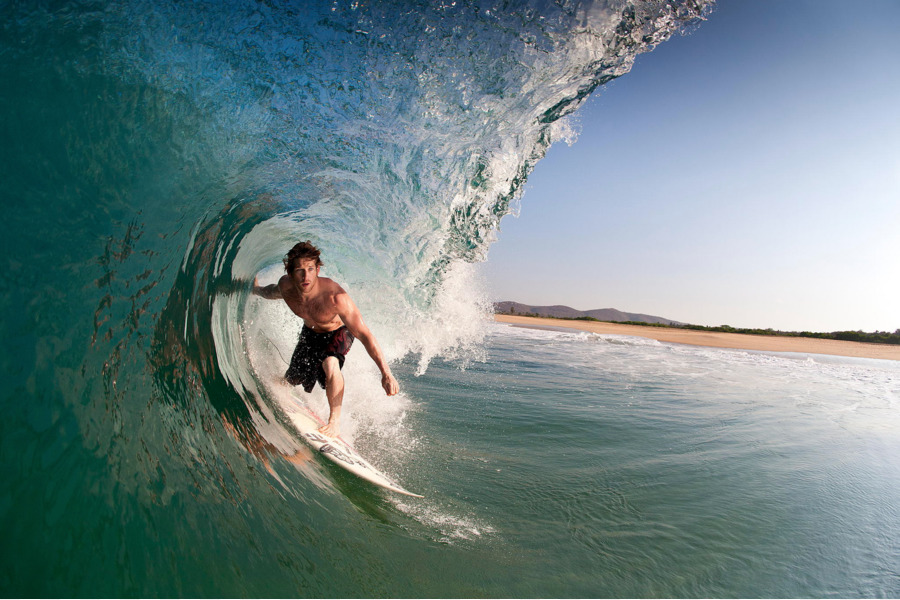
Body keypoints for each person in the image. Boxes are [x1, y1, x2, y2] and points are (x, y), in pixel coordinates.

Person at [252, 241, 399, 437]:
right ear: (290, 272)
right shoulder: (286, 287)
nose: (306, 276)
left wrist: (386, 373)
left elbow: (364, 334)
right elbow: (271, 292)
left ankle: (334, 422)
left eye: (311, 269)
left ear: (318, 269)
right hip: (310, 334)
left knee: (330, 363)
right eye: (300, 270)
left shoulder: (335, 297)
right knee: (291, 379)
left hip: (339, 332)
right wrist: (256, 289)